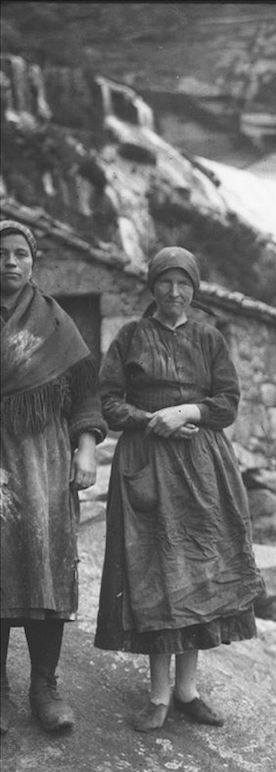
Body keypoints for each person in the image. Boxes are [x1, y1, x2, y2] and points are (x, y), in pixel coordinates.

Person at [94, 246, 265, 732]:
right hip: (146, 464)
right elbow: (108, 401)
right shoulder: (131, 336)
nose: (174, 293)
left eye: (183, 284)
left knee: (199, 574)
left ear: (194, 289)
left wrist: (188, 412)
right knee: (154, 572)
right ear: (152, 287)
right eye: (166, 283)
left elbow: (228, 402)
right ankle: (158, 695)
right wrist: (152, 420)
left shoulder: (208, 338)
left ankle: (188, 691)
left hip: (203, 469)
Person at [0, 219, 107, 735]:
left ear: (33, 260)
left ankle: (44, 686)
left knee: (48, 564)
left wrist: (85, 450)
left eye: (21, 253)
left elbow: (86, 392)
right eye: (2, 254)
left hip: (45, 458)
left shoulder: (55, 323)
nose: (11, 262)